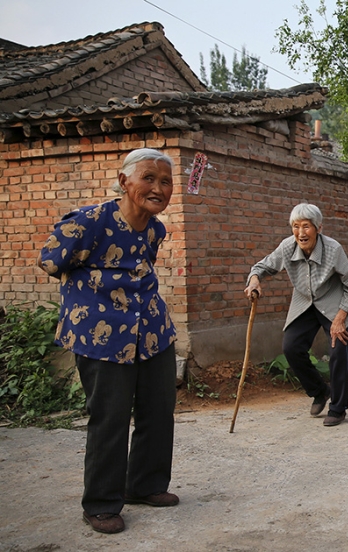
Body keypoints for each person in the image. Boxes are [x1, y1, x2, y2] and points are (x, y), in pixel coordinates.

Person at [37, 149, 179, 534]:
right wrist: (91, 291)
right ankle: (100, 504)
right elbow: (50, 261)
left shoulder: (155, 229)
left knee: (158, 408)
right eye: (149, 178)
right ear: (124, 182)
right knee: (110, 418)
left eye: (165, 181)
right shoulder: (88, 223)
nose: (158, 188)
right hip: (103, 337)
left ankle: (145, 485)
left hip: (152, 332)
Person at [245, 203, 348, 427]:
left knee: (338, 351)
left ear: (318, 227)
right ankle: (320, 391)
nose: (300, 232)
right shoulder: (287, 247)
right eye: (296, 226)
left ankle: (338, 409)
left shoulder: (334, 250)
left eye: (306, 226)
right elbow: (262, 266)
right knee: (291, 347)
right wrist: (254, 280)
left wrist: (340, 319)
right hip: (305, 303)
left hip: (335, 305)